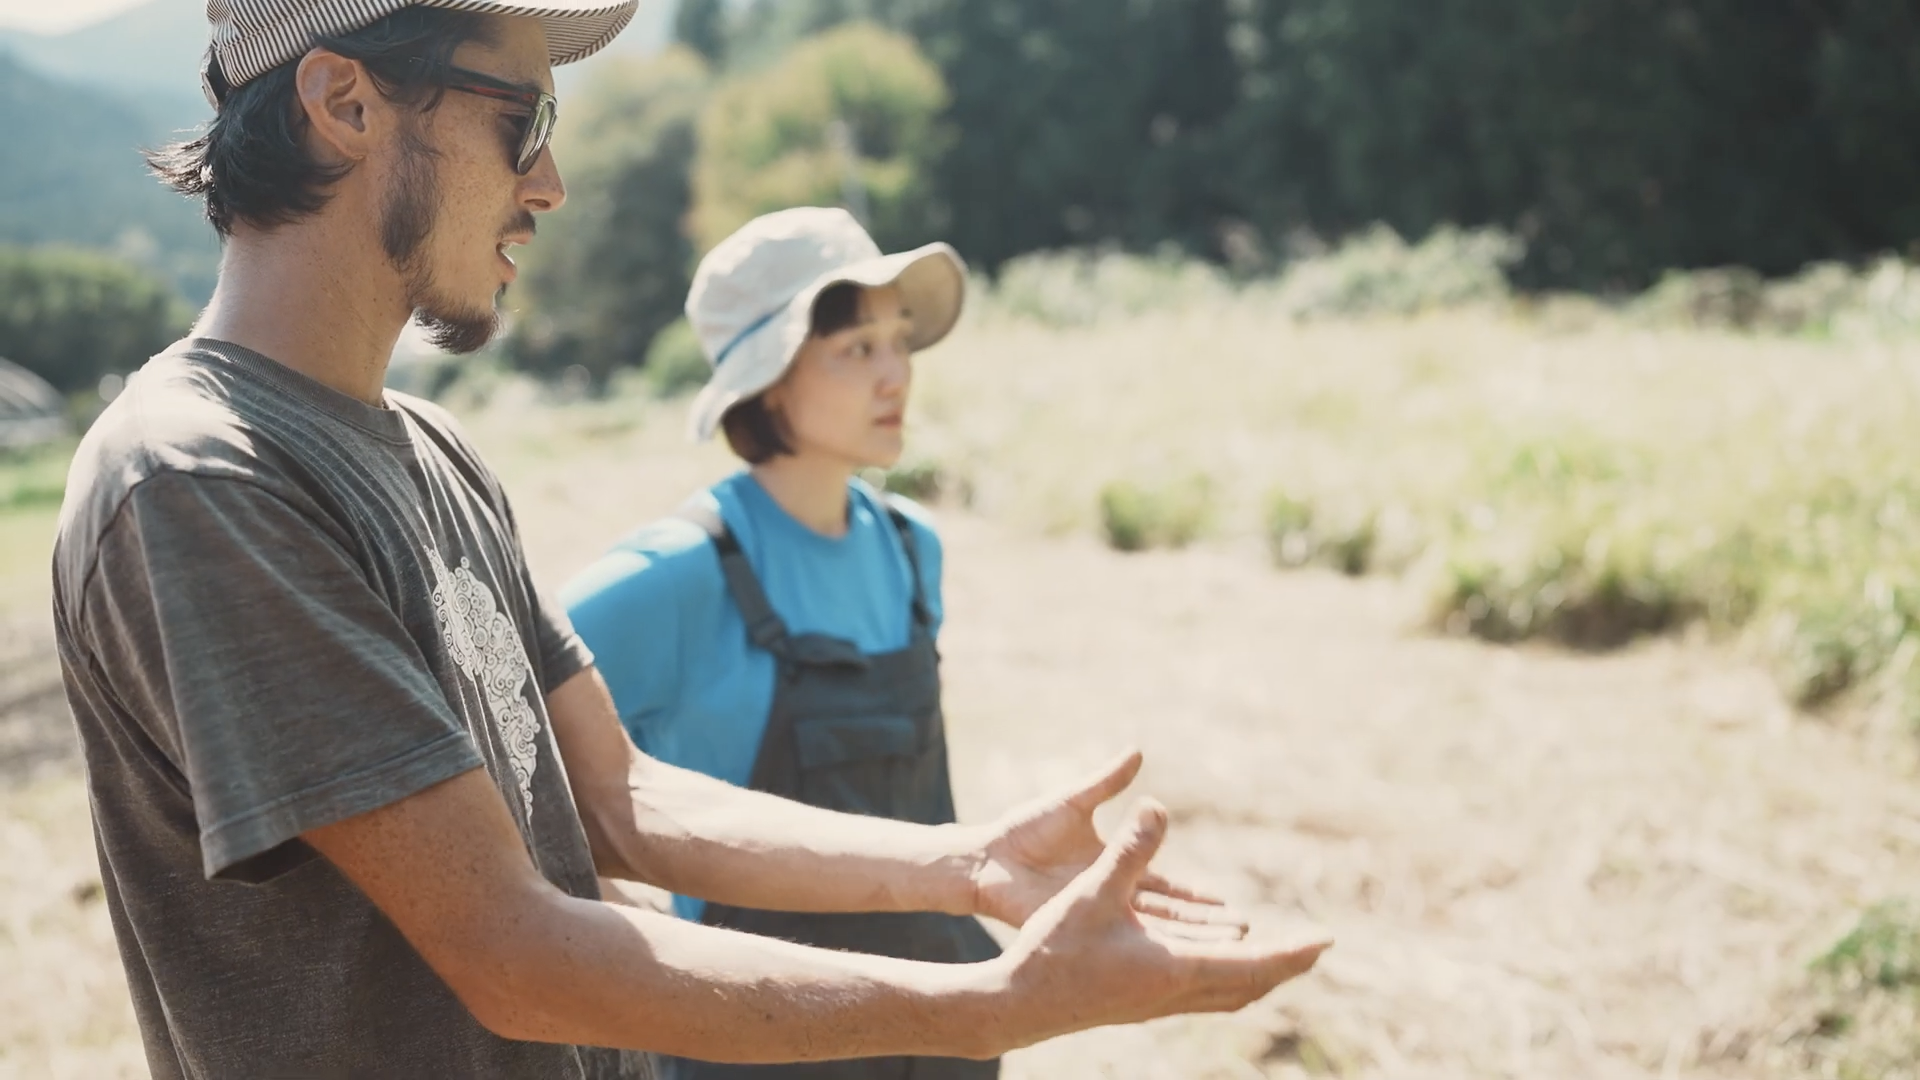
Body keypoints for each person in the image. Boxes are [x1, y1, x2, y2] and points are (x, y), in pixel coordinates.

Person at [50, 4, 1330, 1079]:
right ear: (342, 102)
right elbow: (515, 952)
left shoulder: (431, 455)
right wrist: (995, 1007)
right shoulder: (200, 479)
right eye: (522, 119)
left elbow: (625, 800)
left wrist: (966, 863)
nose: (547, 181)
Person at [562, 207, 994, 1079]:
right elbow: (502, 733)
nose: (894, 375)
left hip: (941, 1024)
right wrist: (627, 928)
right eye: (853, 349)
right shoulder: (677, 574)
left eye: (898, 339)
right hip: (755, 1045)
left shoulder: (914, 550)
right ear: (766, 382)